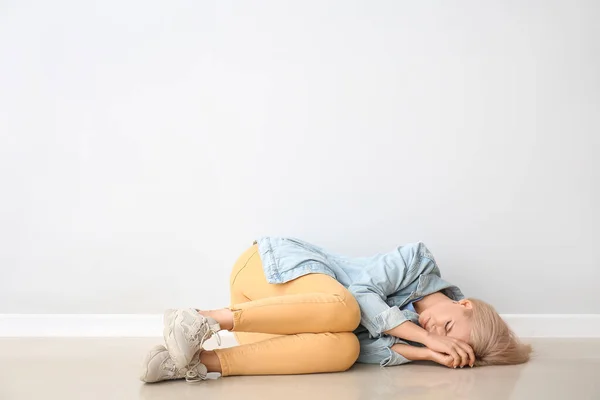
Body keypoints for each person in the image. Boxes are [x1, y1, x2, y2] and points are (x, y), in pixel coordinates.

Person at [140, 237, 532, 383]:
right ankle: (202, 318)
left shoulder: (416, 336)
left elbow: (368, 350)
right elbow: (361, 295)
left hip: (265, 321)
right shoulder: (416, 262)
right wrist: (425, 336)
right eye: (447, 325)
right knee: (346, 309)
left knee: (346, 351)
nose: (434, 328)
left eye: (445, 341)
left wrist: (425, 352)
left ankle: (195, 363)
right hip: (268, 271)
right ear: (465, 305)